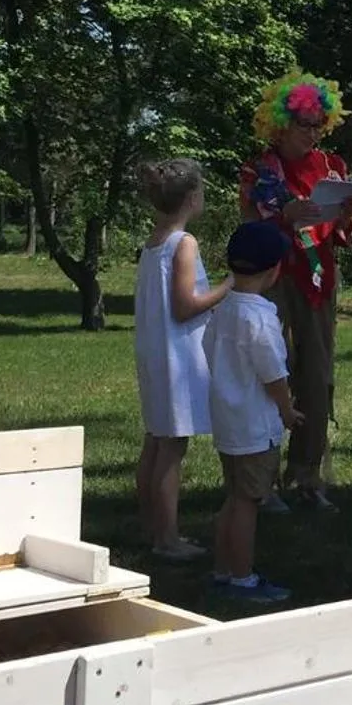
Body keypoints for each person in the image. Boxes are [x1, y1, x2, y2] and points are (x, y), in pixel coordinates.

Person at [240, 72, 352, 510]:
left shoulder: (332, 168)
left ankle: (306, 472)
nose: (312, 132)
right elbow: (250, 229)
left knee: (317, 374)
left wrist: (345, 220)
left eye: (317, 124)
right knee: (273, 370)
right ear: (279, 124)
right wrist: (285, 215)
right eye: (303, 123)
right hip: (273, 279)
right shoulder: (260, 169)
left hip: (319, 280)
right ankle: (263, 477)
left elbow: (337, 233)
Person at [133, 158, 232, 564]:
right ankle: (168, 538)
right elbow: (185, 305)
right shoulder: (184, 244)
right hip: (177, 355)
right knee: (172, 446)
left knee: (155, 441)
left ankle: (152, 526)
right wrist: (230, 285)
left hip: (155, 350)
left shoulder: (154, 240)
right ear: (191, 198)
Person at [203, 221, 301, 606]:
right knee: (248, 503)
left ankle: (223, 569)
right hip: (255, 426)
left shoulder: (224, 309)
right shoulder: (259, 317)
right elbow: (273, 373)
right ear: (275, 270)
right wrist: (288, 410)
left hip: (227, 420)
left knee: (233, 497)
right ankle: (243, 578)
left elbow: (209, 351)